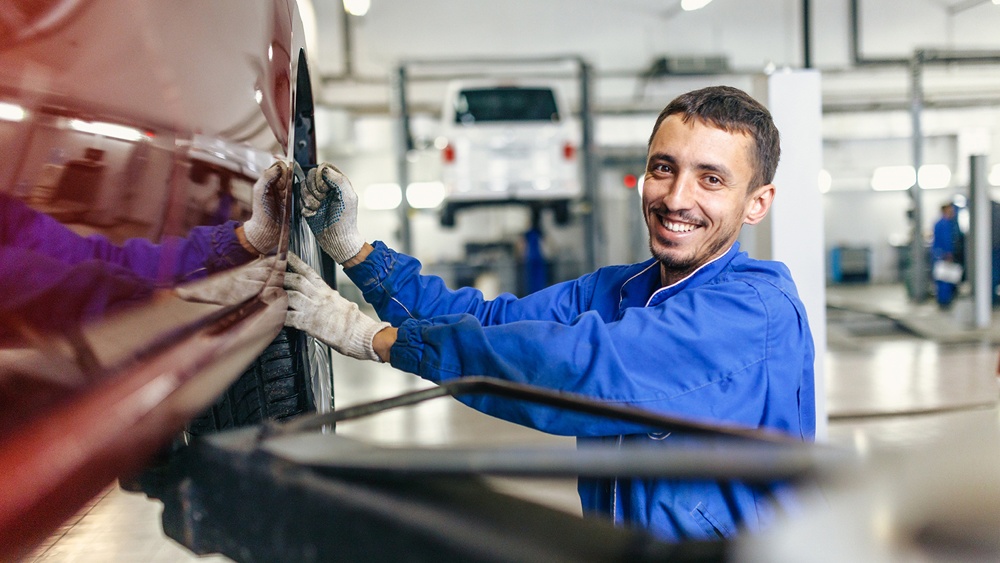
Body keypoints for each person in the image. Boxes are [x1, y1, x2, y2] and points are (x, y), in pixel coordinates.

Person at [283, 86, 816, 542]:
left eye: (711, 179)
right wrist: (355, 252)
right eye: (664, 168)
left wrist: (380, 340)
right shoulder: (618, 290)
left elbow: (581, 369)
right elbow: (491, 322)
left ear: (757, 202)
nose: (676, 198)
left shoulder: (756, 310)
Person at [1, 161, 290, 341]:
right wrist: (158, 305)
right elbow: (77, 301)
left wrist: (245, 239)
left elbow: (105, 262)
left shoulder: (10, 220)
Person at [931, 202, 960, 308]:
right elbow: (946, 240)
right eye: (950, 210)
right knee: (945, 278)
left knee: (941, 278)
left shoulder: (939, 223)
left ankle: (942, 299)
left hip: (938, 254)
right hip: (944, 255)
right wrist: (948, 253)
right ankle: (944, 301)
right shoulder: (945, 224)